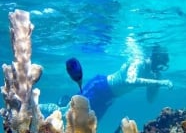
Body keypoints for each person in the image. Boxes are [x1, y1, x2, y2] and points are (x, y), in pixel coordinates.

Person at [40, 37, 173, 120]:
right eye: (160, 65)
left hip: (109, 98)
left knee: (87, 125)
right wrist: (160, 82)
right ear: (156, 59)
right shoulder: (138, 62)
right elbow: (130, 80)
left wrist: (157, 83)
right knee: (66, 112)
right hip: (100, 87)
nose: (160, 69)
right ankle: (37, 107)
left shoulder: (152, 73)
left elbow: (150, 100)